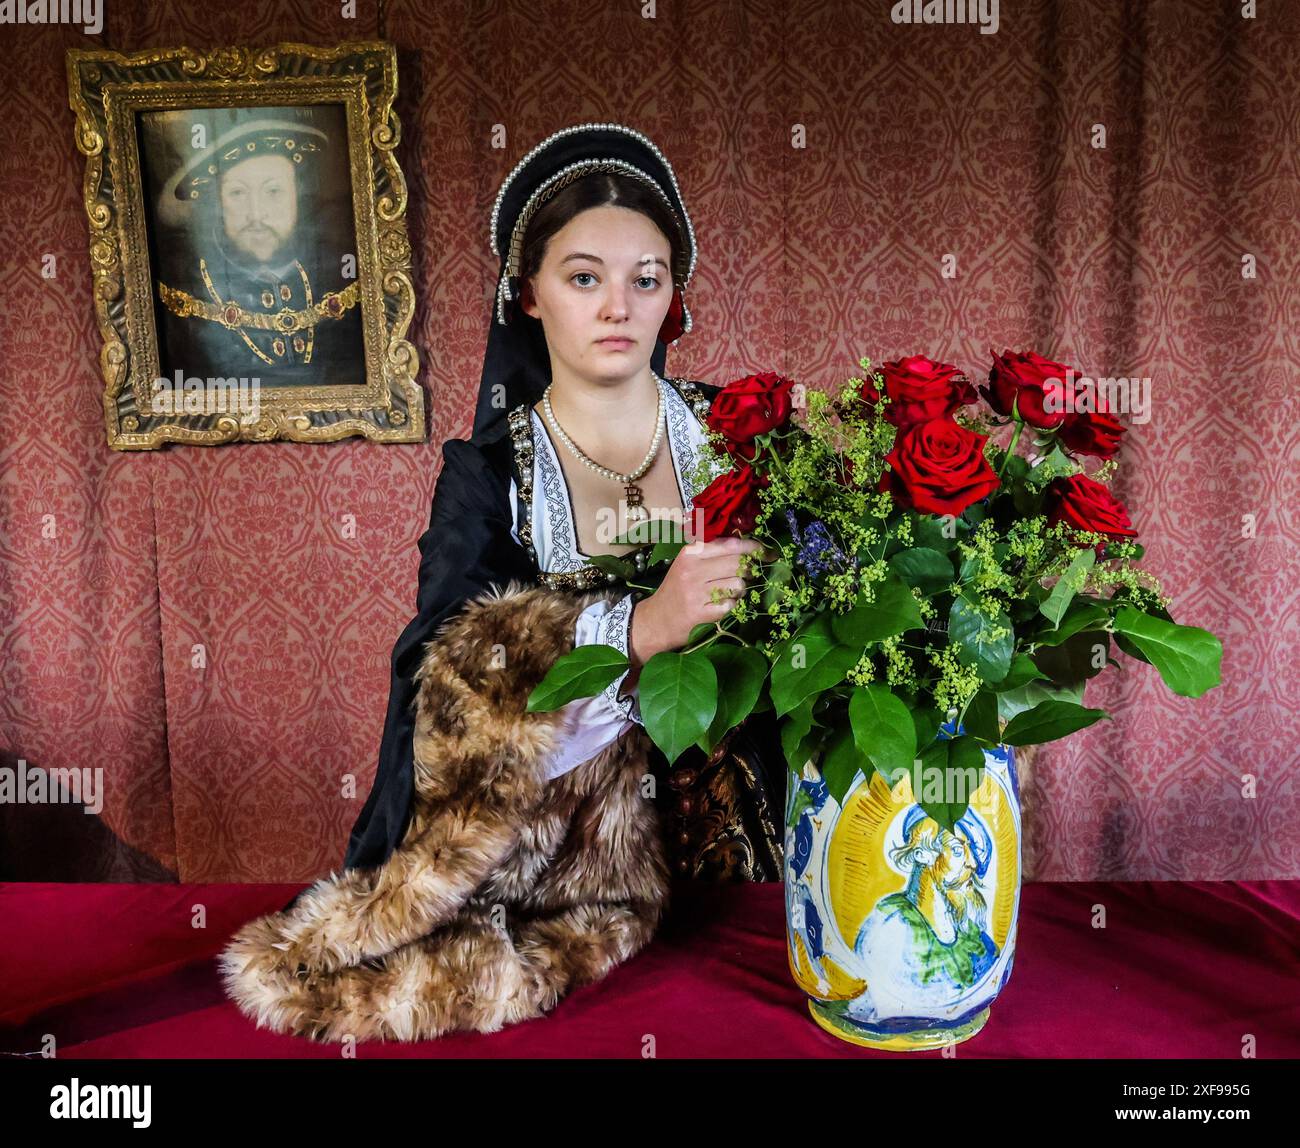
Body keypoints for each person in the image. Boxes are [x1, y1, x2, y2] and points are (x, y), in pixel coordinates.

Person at [337, 122, 787, 897]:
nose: (618, 306)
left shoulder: (744, 438)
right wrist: (640, 632)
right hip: (559, 879)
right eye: (584, 278)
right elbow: (445, 703)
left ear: (673, 296)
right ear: (529, 295)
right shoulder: (490, 478)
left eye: (646, 280)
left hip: (749, 862)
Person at [153, 117, 364, 386]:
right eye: (237, 193)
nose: (256, 215)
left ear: (297, 196)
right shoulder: (182, 299)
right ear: (218, 204)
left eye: (273, 191)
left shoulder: (340, 279)